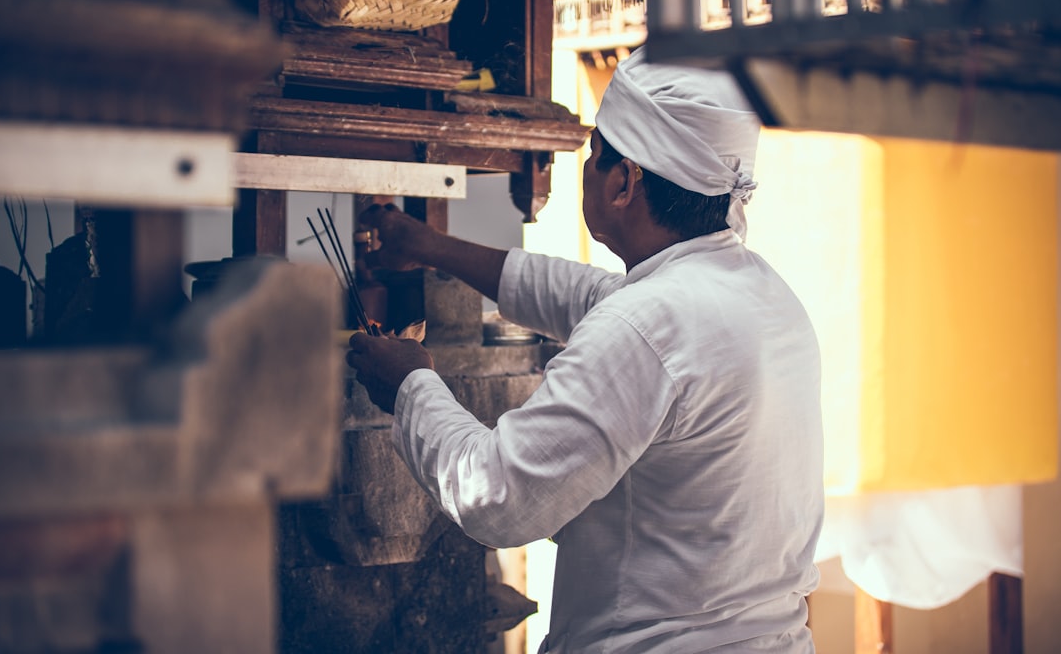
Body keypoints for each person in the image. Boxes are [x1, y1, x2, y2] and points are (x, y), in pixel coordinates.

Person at [346, 46, 824, 653]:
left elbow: (497, 496)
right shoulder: (758, 294)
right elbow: (582, 295)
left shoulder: (647, 323)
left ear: (625, 182)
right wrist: (428, 246)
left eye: (595, 153)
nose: (587, 166)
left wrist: (411, 387)